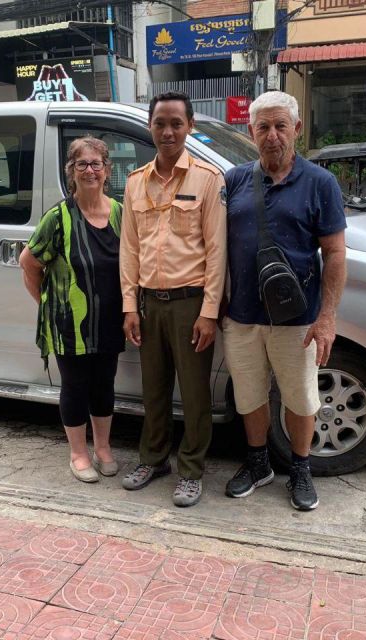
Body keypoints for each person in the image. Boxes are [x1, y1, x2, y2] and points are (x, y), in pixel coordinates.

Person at [222, 90, 347, 511]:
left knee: (300, 398)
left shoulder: (320, 183)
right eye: (263, 127)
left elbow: (335, 252)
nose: (272, 135)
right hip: (241, 316)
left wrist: (327, 318)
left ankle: (300, 468)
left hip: (297, 318)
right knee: (249, 395)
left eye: (280, 126)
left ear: (296, 129)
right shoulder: (235, 180)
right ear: (250, 132)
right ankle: (258, 465)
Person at [119, 91, 227, 507]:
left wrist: (209, 312)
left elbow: (217, 251)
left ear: (190, 127)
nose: (167, 131)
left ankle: (191, 470)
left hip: (190, 303)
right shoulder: (135, 183)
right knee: (154, 389)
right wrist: (130, 306)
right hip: (149, 304)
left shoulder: (207, 179)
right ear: (150, 126)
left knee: (196, 393)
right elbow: (130, 249)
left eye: (176, 124)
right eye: (160, 123)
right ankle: (153, 458)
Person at [20, 137, 124, 483]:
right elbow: (28, 264)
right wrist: (50, 307)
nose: (90, 170)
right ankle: (79, 454)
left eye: (96, 164)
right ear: (72, 171)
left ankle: (104, 448)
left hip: (109, 319)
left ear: (107, 170)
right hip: (68, 325)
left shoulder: (120, 214)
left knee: (104, 385)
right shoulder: (59, 217)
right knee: (76, 386)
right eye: (82, 164)